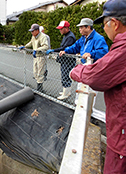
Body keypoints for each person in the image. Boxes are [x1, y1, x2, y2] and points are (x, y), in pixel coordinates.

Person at [69, 0, 126, 173]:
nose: (104, 28)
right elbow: (74, 47)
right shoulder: (83, 38)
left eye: (104, 24)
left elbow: (99, 71)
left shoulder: (118, 46)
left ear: (114, 24)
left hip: (122, 133)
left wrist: (79, 68)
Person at [59, 18, 109, 100]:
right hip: (84, 67)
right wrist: (65, 51)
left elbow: (103, 52)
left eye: (81, 27)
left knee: (88, 93)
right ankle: (78, 109)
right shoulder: (83, 38)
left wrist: (91, 54)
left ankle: (88, 111)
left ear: (88, 27)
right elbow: (75, 47)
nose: (79, 29)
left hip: (93, 68)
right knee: (81, 90)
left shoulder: (98, 38)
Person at [46, 21, 76, 100]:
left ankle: (66, 93)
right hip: (65, 60)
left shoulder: (70, 37)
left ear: (66, 28)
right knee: (64, 74)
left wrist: (53, 50)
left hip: (68, 60)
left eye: (61, 29)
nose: (60, 31)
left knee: (65, 75)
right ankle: (66, 91)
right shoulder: (66, 35)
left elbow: (64, 48)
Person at [19, 24, 49, 92]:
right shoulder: (33, 36)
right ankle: (38, 86)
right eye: (31, 31)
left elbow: (45, 46)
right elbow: (31, 42)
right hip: (35, 56)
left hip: (41, 56)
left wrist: (37, 50)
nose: (32, 33)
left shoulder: (43, 37)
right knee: (35, 72)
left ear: (37, 30)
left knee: (40, 72)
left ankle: (40, 89)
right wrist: (25, 46)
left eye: (33, 31)